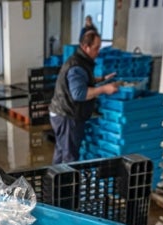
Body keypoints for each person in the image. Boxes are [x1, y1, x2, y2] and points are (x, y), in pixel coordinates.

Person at [49, 30, 118, 165]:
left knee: (61, 150)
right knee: (69, 157)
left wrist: (103, 79)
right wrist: (104, 89)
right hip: (67, 115)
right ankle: (65, 185)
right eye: (96, 48)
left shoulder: (80, 61)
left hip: (61, 112)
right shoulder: (77, 66)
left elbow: (82, 81)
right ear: (86, 47)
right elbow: (79, 94)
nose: (98, 51)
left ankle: (54, 182)